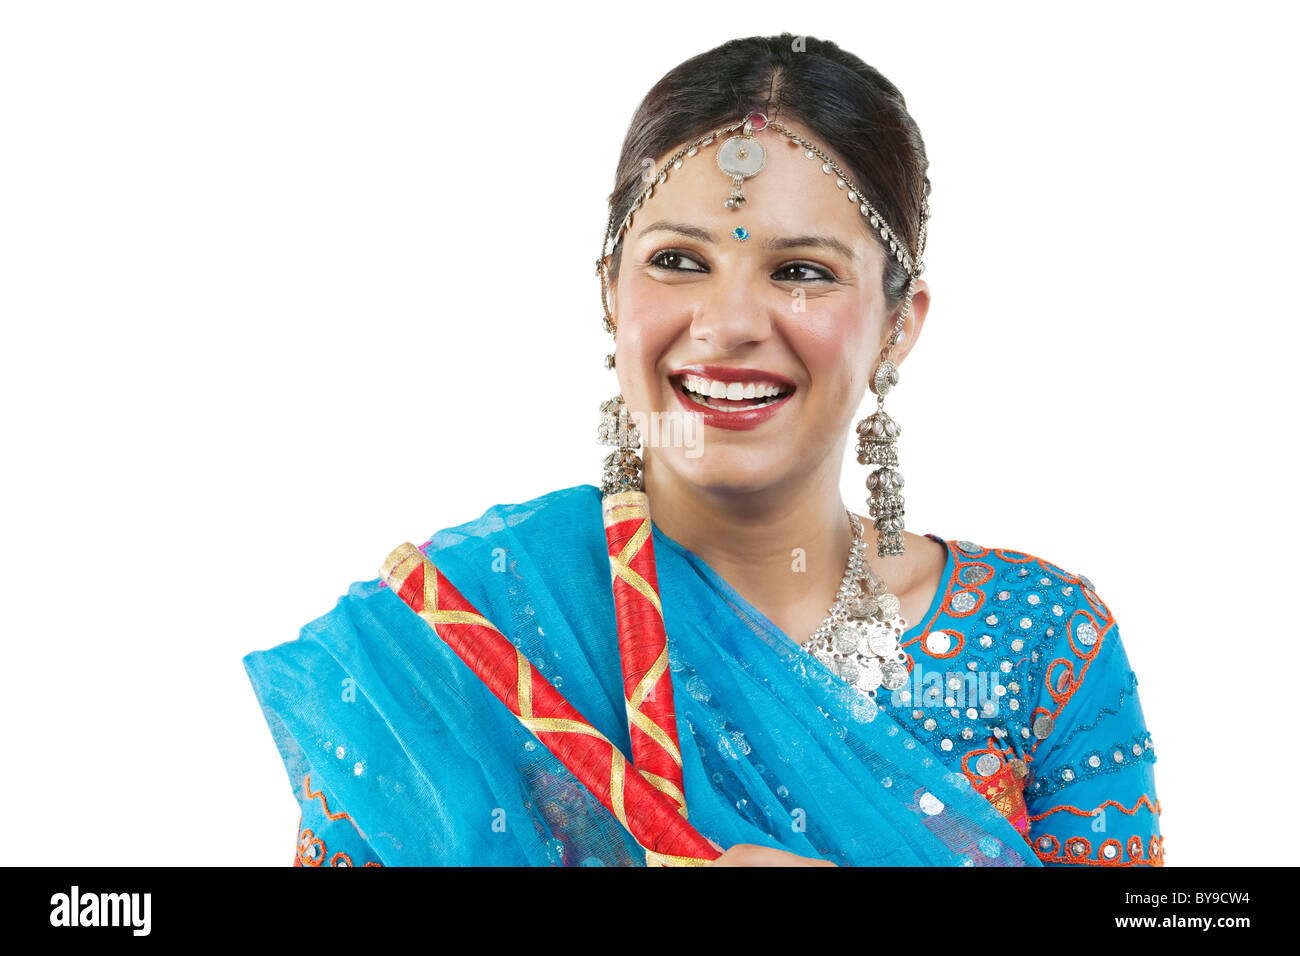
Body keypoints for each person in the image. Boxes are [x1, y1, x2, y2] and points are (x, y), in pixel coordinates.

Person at [243, 33, 1162, 867]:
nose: (725, 326)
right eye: (679, 261)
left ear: (898, 325)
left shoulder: (1040, 641)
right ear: (610, 293)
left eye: (802, 272)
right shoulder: (453, 634)